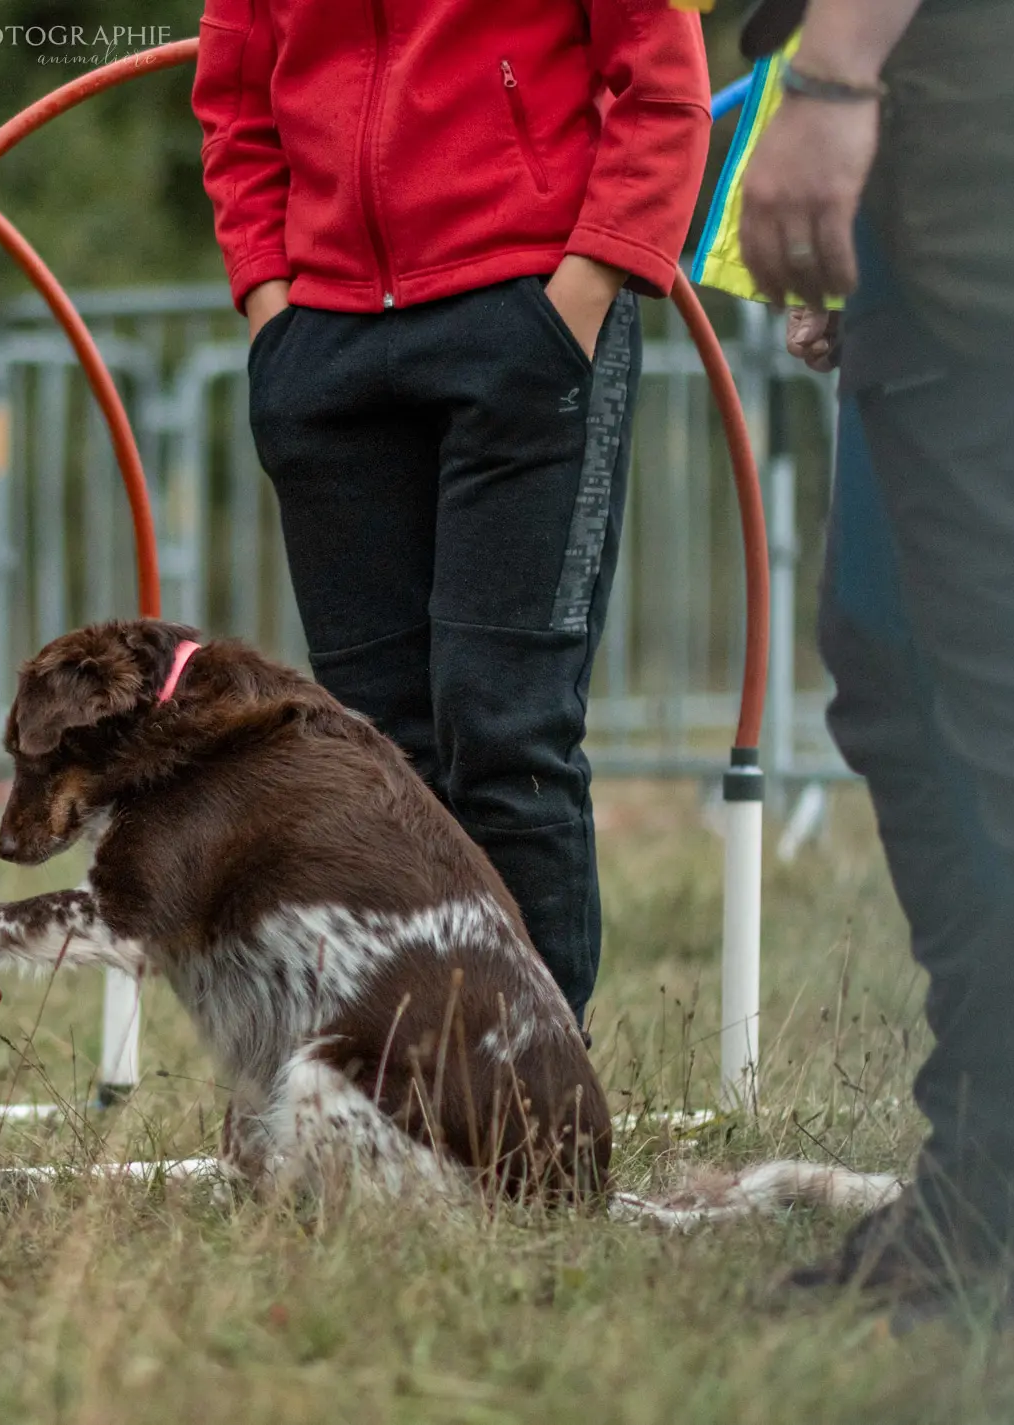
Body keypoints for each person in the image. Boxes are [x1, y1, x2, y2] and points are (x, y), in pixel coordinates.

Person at [192, 0, 713, 1026]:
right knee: (374, 751)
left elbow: (660, 86)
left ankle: (528, 1104)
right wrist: (268, 306)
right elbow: (233, 114)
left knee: (502, 724)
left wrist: (581, 286)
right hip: (323, 350)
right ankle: (402, 1078)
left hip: (527, 316)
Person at [738, 0, 1014, 1322]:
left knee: (1006, 689)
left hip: (990, 166)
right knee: (895, 664)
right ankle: (997, 1174)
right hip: (926, 193)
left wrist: (836, 81)